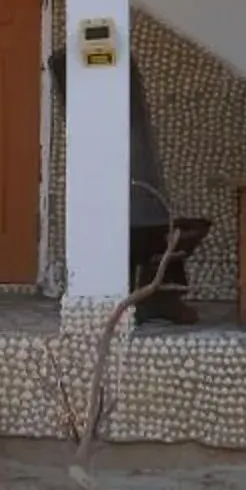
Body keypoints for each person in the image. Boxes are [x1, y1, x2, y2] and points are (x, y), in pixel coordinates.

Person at [46, 43, 207, 322]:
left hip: (139, 204)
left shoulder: (123, 113)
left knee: (165, 227)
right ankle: (148, 298)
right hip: (124, 212)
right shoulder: (93, 118)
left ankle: (158, 297)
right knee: (148, 228)